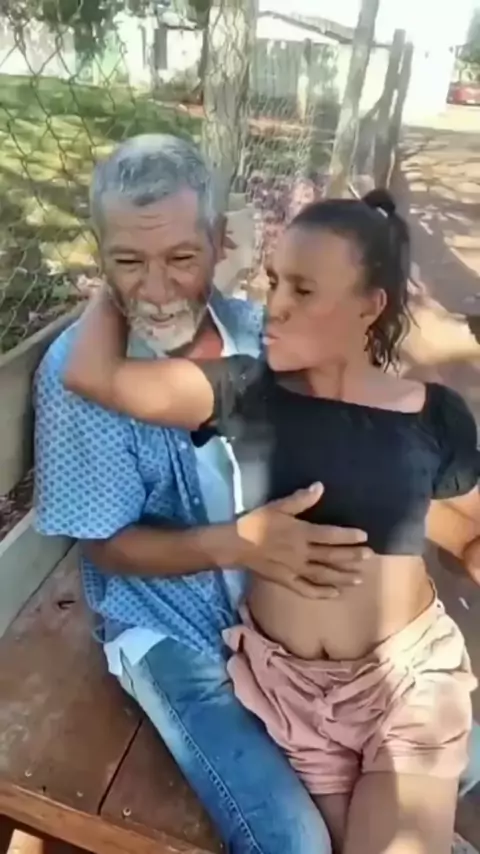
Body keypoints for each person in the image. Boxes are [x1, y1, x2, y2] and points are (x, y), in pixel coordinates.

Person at [64, 188, 480, 854]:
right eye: (273, 281)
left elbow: (464, 523)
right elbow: (92, 376)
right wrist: (129, 273)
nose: (275, 305)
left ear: (370, 307)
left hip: (404, 682)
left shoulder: (434, 417)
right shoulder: (247, 391)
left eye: (303, 291)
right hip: (294, 696)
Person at [34, 133, 391, 854]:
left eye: (180, 258)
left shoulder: (257, 336)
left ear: (218, 239)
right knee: (294, 841)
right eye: (128, 261)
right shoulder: (80, 378)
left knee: (441, 759)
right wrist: (239, 545)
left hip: (280, 622)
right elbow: (105, 548)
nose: (155, 289)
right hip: (171, 631)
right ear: (101, 254)